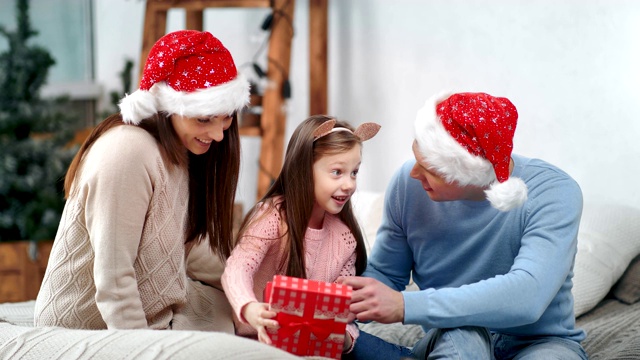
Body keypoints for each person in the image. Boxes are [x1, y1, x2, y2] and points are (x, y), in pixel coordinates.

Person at [340, 91, 588, 359]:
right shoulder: (407, 185)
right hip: (456, 332)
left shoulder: (553, 191)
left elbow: (529, 295)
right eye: (416, 158)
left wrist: (404, 306)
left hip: (541, 343)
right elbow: (387, 274)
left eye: (430, 168)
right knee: (463, 337)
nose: (414, 173)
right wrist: (343, 301)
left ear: (470, 174)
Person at [34, 30, 250, 331]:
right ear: (166, 107)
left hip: (157, 312)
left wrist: (248, 283)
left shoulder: (177, 149)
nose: (218, 135)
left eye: (226, 117)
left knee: (249, 315)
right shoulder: (127, 151)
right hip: (90, 326)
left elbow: (186, 247)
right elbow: (113, 280)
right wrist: (141, 349)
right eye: (203, 119)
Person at [221, 115, 382, 354]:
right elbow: (237, 269)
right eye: (337, 172)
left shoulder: (345, 238)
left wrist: (345, 338)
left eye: (354, 173)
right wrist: (250, 308)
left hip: (313, 347)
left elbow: (344, 313)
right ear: (304, 170)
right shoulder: (272, 217)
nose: (349, 184)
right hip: (256, 341)